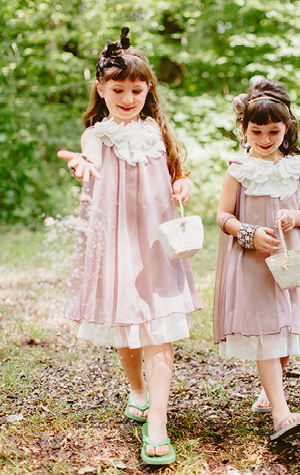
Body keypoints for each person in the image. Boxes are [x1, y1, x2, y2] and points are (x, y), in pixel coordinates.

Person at [58, 28, 200, 465]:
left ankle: (157, 423)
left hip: (157, 244)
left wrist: (182, 184)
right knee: (128, 325)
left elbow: (178, 172)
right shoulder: (98, 136)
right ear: (100, 89)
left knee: (159, 331)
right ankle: (136, 388)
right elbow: (93, 157)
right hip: (119, 244)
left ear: (148, 90)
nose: (127, 97)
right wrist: (84, 165)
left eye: (136, 89)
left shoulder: (157, 131)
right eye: (117, 89)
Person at [213, 78, 300, 441]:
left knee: (286, 327)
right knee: (267, 331)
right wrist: (249, 233)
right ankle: (281, 414)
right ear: (244, 129)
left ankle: (268, 396)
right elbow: (222, 216)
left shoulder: (297, 166)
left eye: (274, 131)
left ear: (286, 129)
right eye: (257, 131)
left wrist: (292, 218)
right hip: (254, 262)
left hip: (292, 259)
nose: (265, 139)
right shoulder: (238, 168)